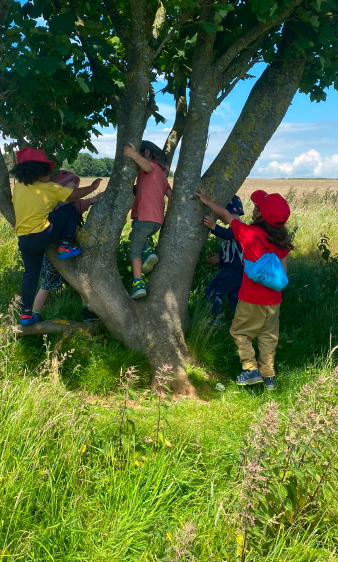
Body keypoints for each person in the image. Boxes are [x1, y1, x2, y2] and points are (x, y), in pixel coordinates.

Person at [196, 188, 293, 390]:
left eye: (257, 207)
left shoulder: (249, 233)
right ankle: (269, 378)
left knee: (240, 332)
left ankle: (250, 370)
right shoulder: (282, 240)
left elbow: (225, 214)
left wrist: (206, 200)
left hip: (251, 298)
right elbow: (283, 273)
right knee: (268, 337)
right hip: (274, 300)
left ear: (259, 214)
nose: (255, 209)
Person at [12, 148, 102, 326]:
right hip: (42, 235)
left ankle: (26, 313)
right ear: (39, 172)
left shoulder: (19, 188)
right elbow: (74, 196)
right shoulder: (50, 188)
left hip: (24, 240)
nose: (51, 176)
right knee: (69, 209)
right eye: (48, 172)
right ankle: (65, 245)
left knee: (30, 275)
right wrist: (92, 187)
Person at [32, 169, 103, 323]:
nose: (76, 191)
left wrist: (106, 193)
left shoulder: (77, 204)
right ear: (62, 189)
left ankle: (88, 312)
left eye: (78, 187)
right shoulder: (53, 205)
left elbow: (92, 200)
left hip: (72, 252)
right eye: (73, 187)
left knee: (81, 281)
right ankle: (35, 313)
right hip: (53, 253)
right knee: (47, 284)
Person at [124, 140, 172, 299]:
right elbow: (170, 194)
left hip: (144, 216)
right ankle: (148, 251)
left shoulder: (149, 167)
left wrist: (133, 155)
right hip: (157, 220)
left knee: (134, 250)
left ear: (146, 154)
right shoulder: (163, 177)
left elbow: (147, 166)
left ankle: (138, 283)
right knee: (135, 236)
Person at [204, 195, 245, 325]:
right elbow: (232, 248)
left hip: (233, 271)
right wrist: (220, 258)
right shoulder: (234, 227)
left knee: (212, 291)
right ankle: (244, 325)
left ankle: (216, 321)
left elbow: (229, 236)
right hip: (236, 271)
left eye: (221, 213)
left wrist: (213, 226)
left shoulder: (239, 227)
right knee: (234, 298)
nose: (220, 217)